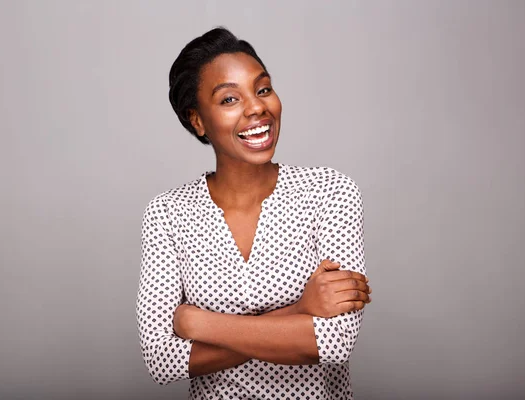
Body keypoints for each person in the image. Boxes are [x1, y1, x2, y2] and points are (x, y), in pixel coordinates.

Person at [136, 27, 372, 400]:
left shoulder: (329, 191)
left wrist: (199, 324)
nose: (257, 107)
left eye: (263, 89)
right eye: (230, 99)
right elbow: (162, 360)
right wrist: (299, 310)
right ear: (197, 120)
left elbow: (335, 341)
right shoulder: (168, 214)